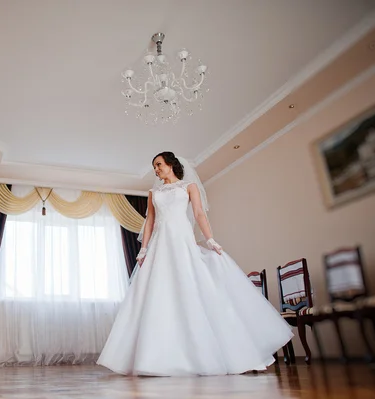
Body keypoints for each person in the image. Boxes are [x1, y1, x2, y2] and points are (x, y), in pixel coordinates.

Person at [97, 152, 293, 377]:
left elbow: (199, 214)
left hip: (182, 241)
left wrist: (210, 239)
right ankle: (156, 356)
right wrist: (143, 249)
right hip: (161, 244)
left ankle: (206, 355)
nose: (156, 170)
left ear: (171, 164)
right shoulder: (153, 193)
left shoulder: (189, 187)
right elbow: (150, 220)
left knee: (192, 287)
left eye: (159, 164)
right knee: (158, 293)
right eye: (154, 167)